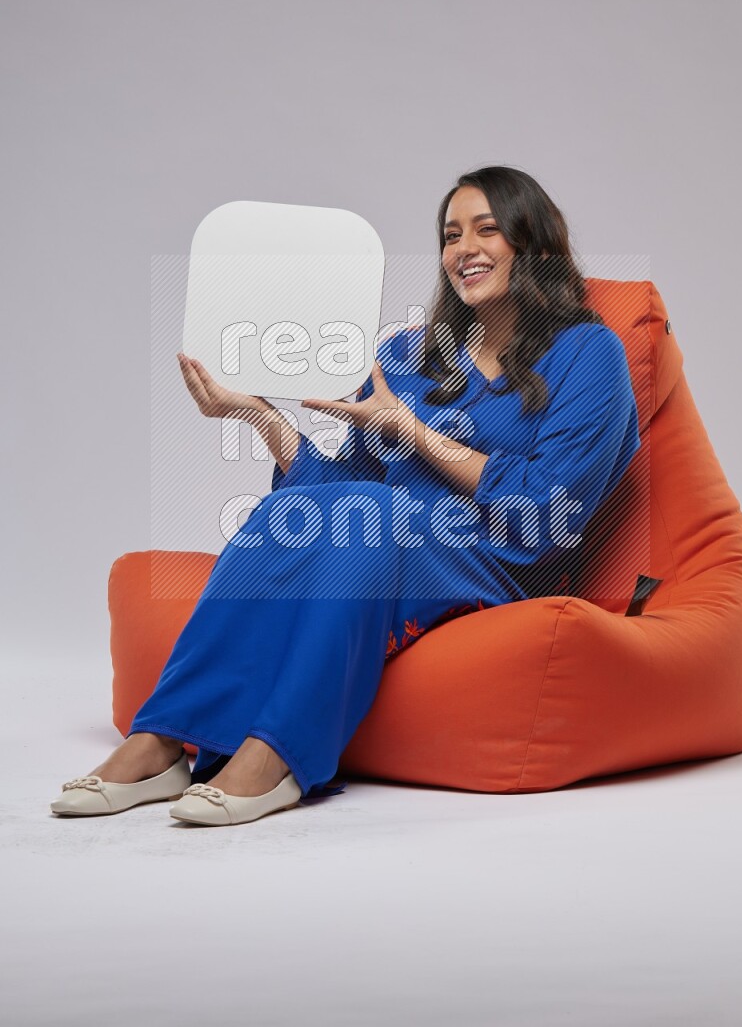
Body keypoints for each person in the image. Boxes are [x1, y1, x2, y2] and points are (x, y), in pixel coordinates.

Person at [50, 165, 641, 827]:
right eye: (450, 235)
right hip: (386, 546)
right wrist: (260, 417)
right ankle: (160, 739)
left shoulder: (590, 352)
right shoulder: (409, 358)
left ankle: (281, 751)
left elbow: (544, 511)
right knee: (288, 511)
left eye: (487, 229)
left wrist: (414, 433)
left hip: (494, 567)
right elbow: (342, 493)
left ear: (530, 243)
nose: (463, 248)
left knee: (379, 515)